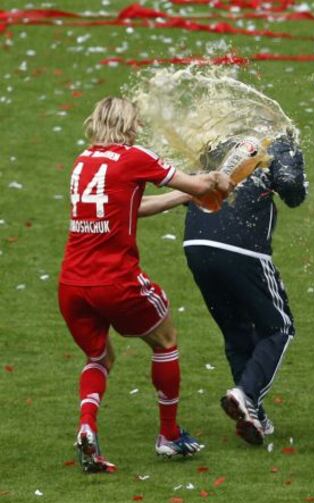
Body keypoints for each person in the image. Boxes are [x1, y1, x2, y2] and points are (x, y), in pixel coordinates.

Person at [58, 96, 233, 473]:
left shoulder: (82, 162)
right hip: (115, 280)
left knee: (99, 357)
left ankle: (87, 426)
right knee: (165, 339)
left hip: (72, 283)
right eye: (135, 122)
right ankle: (169, 436)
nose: (138, 127)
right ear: (128, 124)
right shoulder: (134, 156)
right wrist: (217, 180)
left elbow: (131, 206)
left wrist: (184, 196)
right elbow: (199, 184)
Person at [183, 134, 307, 445]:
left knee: (235, 329)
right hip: (242, 247)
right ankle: (247, 394)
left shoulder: (214, 142)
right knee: (279, 327)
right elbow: (292, 192)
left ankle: (253, 413)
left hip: (196, 244)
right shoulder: (278, 140)